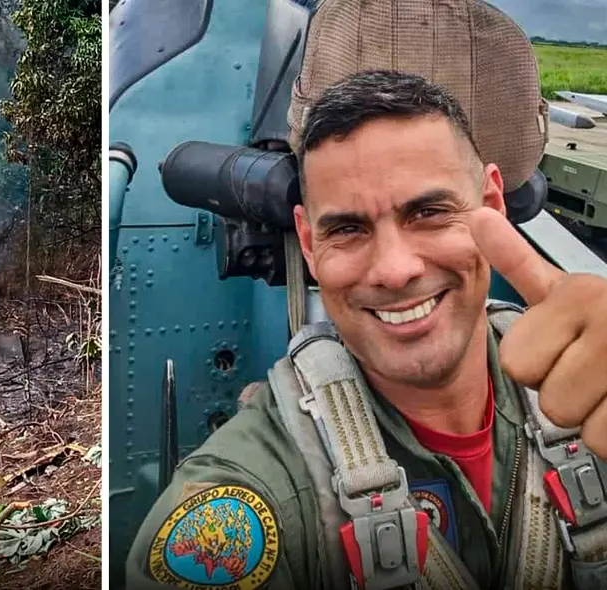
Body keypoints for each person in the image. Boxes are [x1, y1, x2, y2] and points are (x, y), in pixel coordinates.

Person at [124, 70, 607, 590]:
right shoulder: (253, 493)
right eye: (348, 229)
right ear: (309, 244)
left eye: (429, 211)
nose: (394, 270)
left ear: (491, 206)